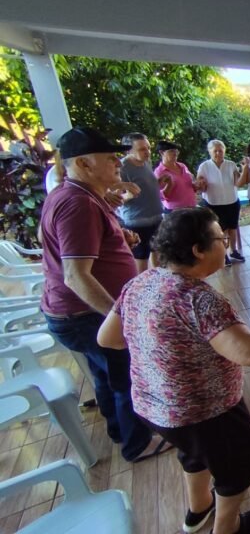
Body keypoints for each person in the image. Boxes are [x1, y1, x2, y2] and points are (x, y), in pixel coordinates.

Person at [97, 207, 250, 534]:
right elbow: (248, 351)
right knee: (238, 468)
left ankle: (198, 510)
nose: (226, 245)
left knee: (194, 452)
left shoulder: (141, 282)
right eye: (220, 239)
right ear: (198, 250)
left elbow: (108, 338)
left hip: (151, 408)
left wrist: (162, 351)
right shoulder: (198, 298)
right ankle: (228, 527)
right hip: (204, 413)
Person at [40, 127, 169, 463]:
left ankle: (117, 428)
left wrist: (117, 241)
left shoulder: (78, 195)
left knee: (105, 373)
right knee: (127, 372)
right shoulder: (76, 204)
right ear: (83, 163)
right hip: (83, 314)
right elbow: (75, 276)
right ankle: (136, 442)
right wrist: (120, 317)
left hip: (75, 315)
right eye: (109, 157)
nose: (117, 162)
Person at [119, 133, 166, 272]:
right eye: (142, 149)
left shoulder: (146, 162)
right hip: (137, 221)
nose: (147, 152)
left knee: (157, 251)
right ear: (129, 150)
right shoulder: (122, 168)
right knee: (141, 257)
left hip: (156, 216)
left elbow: (145, 186)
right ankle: (143, 289)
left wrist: (158, 183)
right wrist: (129, 195)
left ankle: (158, 283)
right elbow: (115, 199)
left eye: (148, 148)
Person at [197, 139, 244, 266]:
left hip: (232, 201)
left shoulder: (231, 164)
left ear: (224, 151)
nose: (218, 153)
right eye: (215, 151)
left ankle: (234, 251)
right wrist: (201, 184)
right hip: (213, 203)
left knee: (233, 228)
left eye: (220, 150)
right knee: (220, 231)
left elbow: (237, 182)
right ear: (210, 152)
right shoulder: (204, 166)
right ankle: (224, 254)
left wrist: (243, 171)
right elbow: (200, 186)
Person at [154, 141, 199, 212]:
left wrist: (196, 185)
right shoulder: (159, 172)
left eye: (177, 151)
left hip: (192, 207)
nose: (175, 154)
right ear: (162, 153)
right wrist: (169, 185)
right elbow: (159, 196)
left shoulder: (182, 166)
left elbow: (191, 184)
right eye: (172, 151)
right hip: (175, 211)